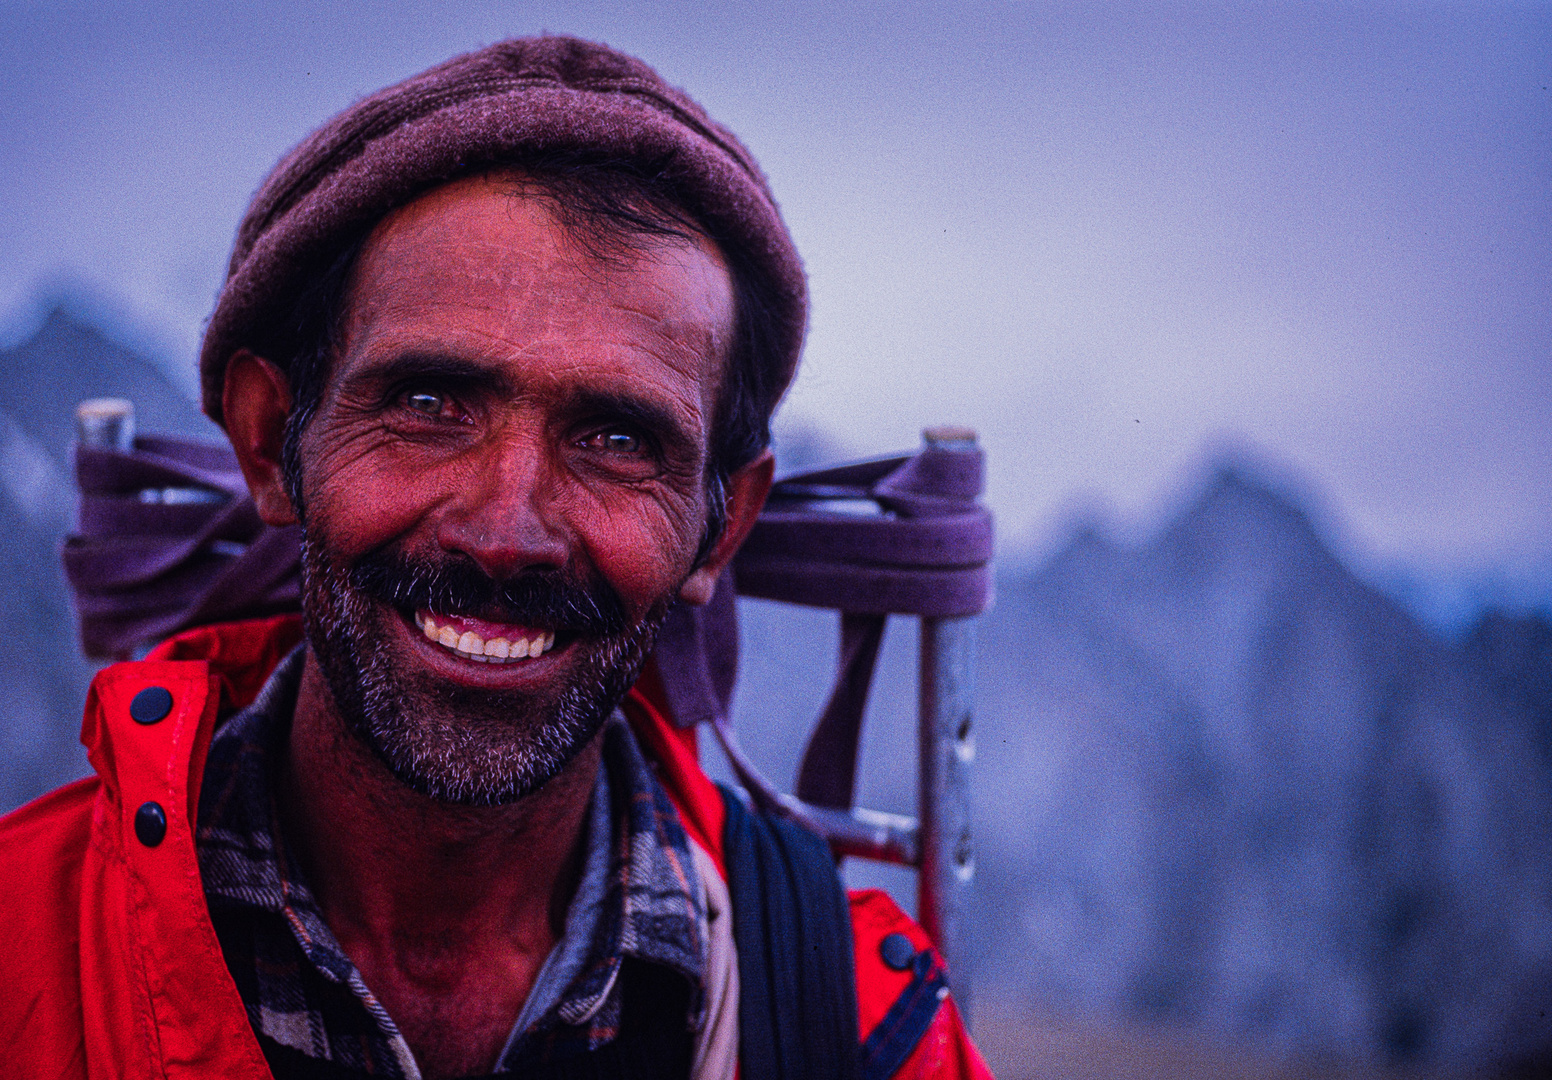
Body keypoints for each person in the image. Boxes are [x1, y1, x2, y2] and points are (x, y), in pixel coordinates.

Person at [0, 36, 991, 1080]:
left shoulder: (861, 1024)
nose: (506, 531)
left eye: (617, 439)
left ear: (720, 527)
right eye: (427, 405)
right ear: (271, 441)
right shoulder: (22, 951)